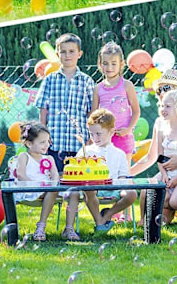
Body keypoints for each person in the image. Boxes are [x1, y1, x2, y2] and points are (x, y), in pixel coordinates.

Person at [66, 108, 136, 235]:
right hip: (91, 191)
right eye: (91, 134)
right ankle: (99, 222)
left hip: (113, 188)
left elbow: (123, 177)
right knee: (89, 189)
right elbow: (78, 173)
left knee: (132, 193)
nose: (94, 138)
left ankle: (107, 215)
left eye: (98, 134)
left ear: (111, 132)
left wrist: (119, 186)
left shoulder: (119, 154)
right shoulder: (85, 151)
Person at [35, 33, 94, 173]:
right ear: (57, 54)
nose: (67, 55)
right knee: (55, 182)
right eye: (63, 51)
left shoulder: (87, 81)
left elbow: (91, 112)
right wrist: (43, 137)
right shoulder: (49, 80)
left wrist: (90, 139)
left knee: (78, 184)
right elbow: (43, 109)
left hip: (80, 145)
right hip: (55, 143)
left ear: (79, 54)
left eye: (72, 51)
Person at [13, 121, 77, 242]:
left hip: (49, 189)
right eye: (42, 142)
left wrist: (53, 184)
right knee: (51, 191)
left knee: (74, 192)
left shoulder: (49, 158)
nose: (46, 145)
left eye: (48, 141)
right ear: (29, 143)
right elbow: (21, 174)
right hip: (30, 189)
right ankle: (41, 227)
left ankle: (69, 228)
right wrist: (37, 186)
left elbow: (55, 177)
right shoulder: (24, 156)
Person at [129, 69, 177, 177]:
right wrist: (126, 174)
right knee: (148, 192)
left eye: (166, 88)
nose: (162, 93)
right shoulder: (160, 122)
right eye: (159, 90)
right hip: (168, 174)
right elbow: (151, 157)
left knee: (175, 192)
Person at [92, 42, 140, 165]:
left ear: (121, 64)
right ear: (99, 64)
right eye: (105, 63)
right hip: (104, 138)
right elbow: (93, 115)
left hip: (123, 137)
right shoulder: (98, 88)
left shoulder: (127, 85)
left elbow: (136, 111)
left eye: (114, 64)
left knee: (124, 173)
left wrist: (128, 129)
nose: (109, 67)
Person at [156, 89, 177, 224]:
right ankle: (147, 219)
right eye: (162, 105)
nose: (163, 109)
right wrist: (163, 174)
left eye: (168, 106)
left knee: (175, 201)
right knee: (154, 191)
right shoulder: (162, 129)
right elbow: (160, 156)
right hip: (167, 173)